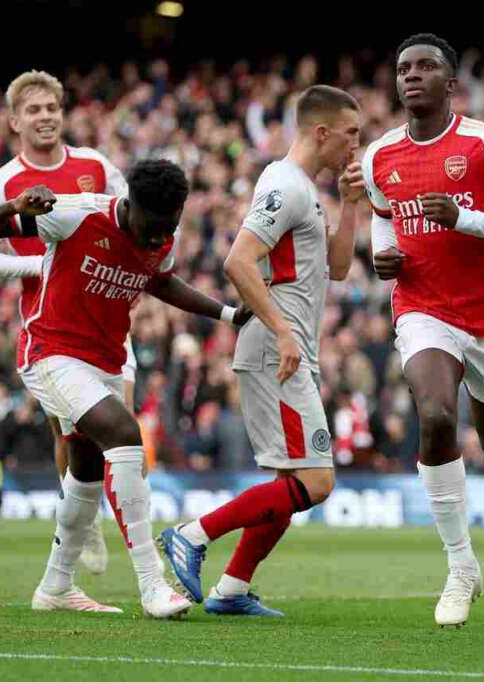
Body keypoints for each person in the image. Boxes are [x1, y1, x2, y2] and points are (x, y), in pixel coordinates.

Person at [0, 159, 251, 618]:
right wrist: (15, 205)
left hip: (104, 361)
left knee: (85, 467)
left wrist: (226, 314)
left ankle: (55, 586)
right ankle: (151, 584)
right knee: (123, 431)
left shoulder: (163, 237)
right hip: (50, 353)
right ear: (130, 205)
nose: (160, 237)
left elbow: (160, 281)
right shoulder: (75, 214)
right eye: (154, 226)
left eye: (170, 226)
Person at [363, 33, 484, 626]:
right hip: (422, 307)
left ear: (451, 83)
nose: (411, 76)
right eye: (403, 69)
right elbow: (381, 220)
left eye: (425, 68)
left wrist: (466, 218)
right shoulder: (379, 156)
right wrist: (382, 256)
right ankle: (460, 568)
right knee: (437, 416)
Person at [159, 85, 364, 617]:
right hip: (278, 349)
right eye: (351, 134)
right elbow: (238, 261)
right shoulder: (285, 186)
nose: (356, 145)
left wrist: (353, 204)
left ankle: (231, 589)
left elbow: (338, 268)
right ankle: (193, 534)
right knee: (316, 482)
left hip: (288, 347)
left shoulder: (308, 191)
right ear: (321, 132)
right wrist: (282, 329)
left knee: (289, 481)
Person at [0, 70, 137, 576]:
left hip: (106, 318)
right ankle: (85, 524)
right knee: (72, 433)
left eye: (52, 109)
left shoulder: (95, 166)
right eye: (34, 111)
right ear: (15, 121)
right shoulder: (5, 182)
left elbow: (130, 221)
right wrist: (37, 265)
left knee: (117, 427)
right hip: (52, 329)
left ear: (63, 114)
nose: (45, 118)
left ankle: (121, 536)